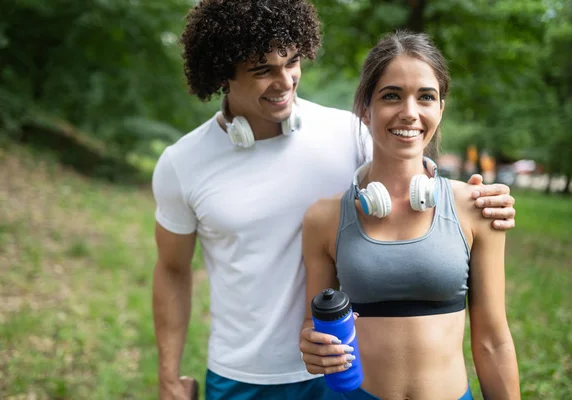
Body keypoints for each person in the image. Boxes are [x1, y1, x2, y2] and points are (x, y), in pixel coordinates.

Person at [152, 1, 517, 399]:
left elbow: (406, 151)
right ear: (222, 72)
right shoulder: (182, 163)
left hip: (341, 370)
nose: (285, 81)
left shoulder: (347, 131)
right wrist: (169, 375)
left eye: (292, 62)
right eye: (263, 70)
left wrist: (479, 198)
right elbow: (172, 271)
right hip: (244, 373)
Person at [299, 31, 520, 400]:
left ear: (440, 109)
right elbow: (314, 329)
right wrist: (313, 346)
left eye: (426, 97)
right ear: (365, 109)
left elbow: (493, 342)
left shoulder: (476, 206)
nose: (410, 112)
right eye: (391, 96)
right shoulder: (324, 218)